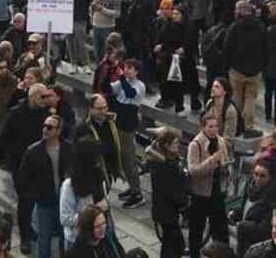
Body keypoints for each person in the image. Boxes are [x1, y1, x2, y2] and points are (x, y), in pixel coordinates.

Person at [0, 83, 49, 254]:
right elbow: (3, 136)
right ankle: (25, 237)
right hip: (21, 166)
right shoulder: (16, 113)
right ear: (33, 96)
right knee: (25, 202)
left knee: (37, 200)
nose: (46, 100)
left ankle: (32, 230)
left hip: (40, 164)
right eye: (42, 97)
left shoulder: (44, 113)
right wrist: (15, 156)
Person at [20, 114, 74, 258]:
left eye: (49, 127)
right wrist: (36, 195)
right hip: (45, 203)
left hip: (64, 201)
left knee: (65, 236)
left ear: (59, 131)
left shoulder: (69, 148)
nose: (45, 129)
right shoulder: (33, 151)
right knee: (44, 238)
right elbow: (24, 178)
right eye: (44, 126)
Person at [187, 113, 230, 258]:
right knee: (197, 228)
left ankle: (222, 254)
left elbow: (224, 161)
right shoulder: (196, 144)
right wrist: (212, 161)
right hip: (200, 193)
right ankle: (194, 254)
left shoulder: (221, 141)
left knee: (221, 227)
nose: (214, 129)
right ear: (203, 127)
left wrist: (225, 167)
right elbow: (194, 171)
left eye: (216, 126)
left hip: (217, 190)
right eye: (210, 126)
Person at [223, 0, 266, 138]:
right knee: (250, 100)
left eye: (236, 9)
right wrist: (262, 65)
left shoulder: (235, 26)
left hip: (237, 70)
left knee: (236, 99)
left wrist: (229, 63)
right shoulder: (260, 25)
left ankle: (235, 125)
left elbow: (227, 47)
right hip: (254, 71)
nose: (235, 12)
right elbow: (266, 47)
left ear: (242, 11)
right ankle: (248, 127)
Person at [147, 128, 189, 258]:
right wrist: (184, 201)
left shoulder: (168, 161)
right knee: (171, 245)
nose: (178, 145)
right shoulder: (165, 166)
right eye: (175, 143)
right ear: (166, 146)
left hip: (166, 210)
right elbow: (170, 191)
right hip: (166, 211)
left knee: (173, 243)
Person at [230, 159, 276, 257]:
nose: (258, 179)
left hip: (256, 245)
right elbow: (246, 208)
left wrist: (243, 225)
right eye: (256, 174)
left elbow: (266, 228)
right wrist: (235, 213)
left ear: (270, 177)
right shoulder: (250, 186)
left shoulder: (275, 195)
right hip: (243, 238)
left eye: (262, 176)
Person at [60, 138, 107, 250]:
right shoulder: (69, 186)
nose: (99, 162)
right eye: (96, 158)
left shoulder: (98, 176)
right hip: (77, 241)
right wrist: (91, 213)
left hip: (98, 238)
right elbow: (65, 219)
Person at [110, 58, 146, 208]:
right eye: (125, 67)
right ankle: (132, 187)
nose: (126, 70)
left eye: (130, 68)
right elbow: (111, 89)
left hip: (128, 124)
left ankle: (137, 193)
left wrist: (121, 78)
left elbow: (130, 94)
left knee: (128, 159)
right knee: (123, 158)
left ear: (136, 71)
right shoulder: (121, 82)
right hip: (118, 121)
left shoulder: (139, 85)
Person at [74, 93, 122, 190]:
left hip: (109, 168)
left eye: (105, 107)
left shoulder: (111, 122)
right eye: (99, 109)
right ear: (90, 109)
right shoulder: (82, 128)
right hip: (93, 171)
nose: (103, 111)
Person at [65, 0, 92, 74]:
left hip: (80, 19)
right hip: (67, 18)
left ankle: (86, 64)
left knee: (81, 43)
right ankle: (73, 63)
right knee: (70, 42)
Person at [90, 0, 121, 65]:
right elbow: (94, 7)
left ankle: (107, 68)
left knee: (107, 51)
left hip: (108, 26)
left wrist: (102, 9)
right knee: (97, 51)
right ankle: (98, 68)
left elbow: (117, 13)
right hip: (96, 25)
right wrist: (91, 12)